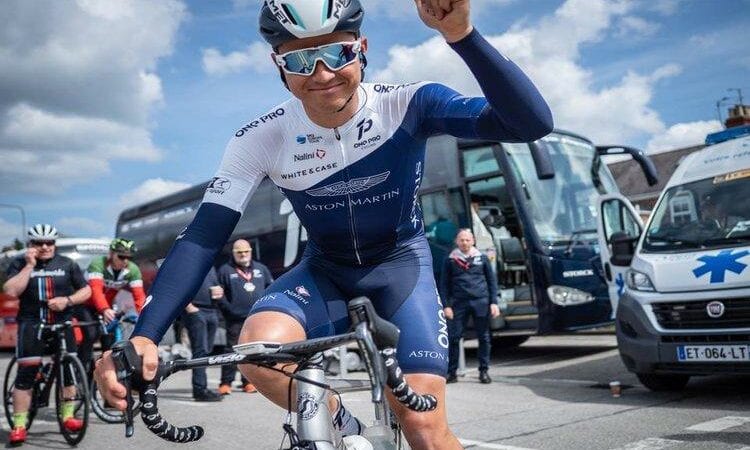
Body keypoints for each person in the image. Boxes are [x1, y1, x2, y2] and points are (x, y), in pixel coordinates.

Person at [95, 1, 552, 447]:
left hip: (400, 269)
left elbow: (530, 123)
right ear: (278, 66)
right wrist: (144, 337)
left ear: (362, 48)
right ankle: (342, 425)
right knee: (256, 354)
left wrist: (462, 36)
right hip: (325, 272)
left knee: (423, 429)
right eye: (300, 59)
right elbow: (202, 236)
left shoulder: (408, 104)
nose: (321, 73)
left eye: (337, 52)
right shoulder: (260, 138)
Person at [4, 224, 92, 445]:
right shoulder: (19, 263)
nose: (45, 247)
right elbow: (11, 291)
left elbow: (86, 290)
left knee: (69, 371)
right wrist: (29, 266)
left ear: (54, 244)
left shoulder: (67, 264)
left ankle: (68, 416)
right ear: (30, 244)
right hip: (32, 325)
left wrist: (68, 300)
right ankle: (20, 424)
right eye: (39, 243)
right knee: (27, 373)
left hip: (62, 324)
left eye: (49, 242)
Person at [440, 229, 500, 384]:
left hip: (481, 302)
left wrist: (494, 302)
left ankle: (484, 371)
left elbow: (492, 282)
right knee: (454, 338)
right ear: (457, 241)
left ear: (473, 241)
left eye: (467, 240)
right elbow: (444, 285)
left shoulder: (482, 258)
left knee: (484, 337)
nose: (464, 243)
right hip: (459, 303)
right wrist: (446, 306)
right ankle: (452, 373)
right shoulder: (450, 260)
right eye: (461, 240)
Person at [78, 238, 146, 374]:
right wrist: (104, 309)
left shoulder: (133, 270)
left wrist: (145, 317)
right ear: (111, 254)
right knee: (91, 335)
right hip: (86, 305)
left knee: (109, 340)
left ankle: (105, 370)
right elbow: (96, 291)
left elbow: (139, 296)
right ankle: (82, 369)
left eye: (129, 257)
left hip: (107, 305)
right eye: (121, 256)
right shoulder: (98, 264)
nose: (125, 260)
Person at [217, 239, 273, 394]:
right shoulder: (225, 270)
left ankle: (248, 382)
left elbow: (271, 289)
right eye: (239, 252)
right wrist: (229, 310)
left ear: (251, 251)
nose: (243, 255)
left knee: (254, 350)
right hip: (235, 319)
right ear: (233, 253)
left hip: (256, 317)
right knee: (231, 350)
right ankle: (225, 383)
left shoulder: (261, 269)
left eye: (246, 251)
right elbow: (219, 295)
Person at [182, 266, 225, 401]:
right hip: (195, 310)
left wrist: (219, 290)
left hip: (211, 310)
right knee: (200, 351)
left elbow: (216, 285)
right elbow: (178, 287)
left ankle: (202, 387)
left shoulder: (210, 266)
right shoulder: (187, 264)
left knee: (207, 351)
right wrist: (189, 306)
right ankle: (200, 390)